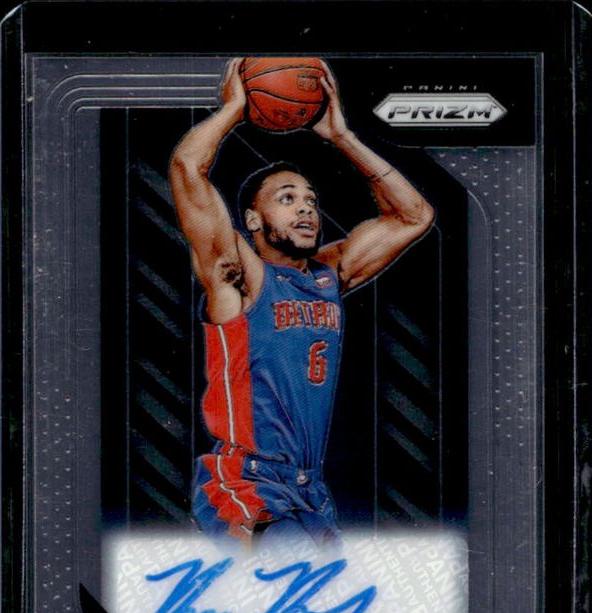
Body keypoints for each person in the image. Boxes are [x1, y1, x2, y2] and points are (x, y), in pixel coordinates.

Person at [170, 58, 434, 546]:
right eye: (287, 198)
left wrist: (342, 137)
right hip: (248, 482)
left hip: (310, 489)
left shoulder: (328, 276)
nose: (307, 209)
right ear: (253, 220)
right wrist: (233, 109)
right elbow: (188, 168)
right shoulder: (238, 274)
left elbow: (414, 216)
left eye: (311, 200)